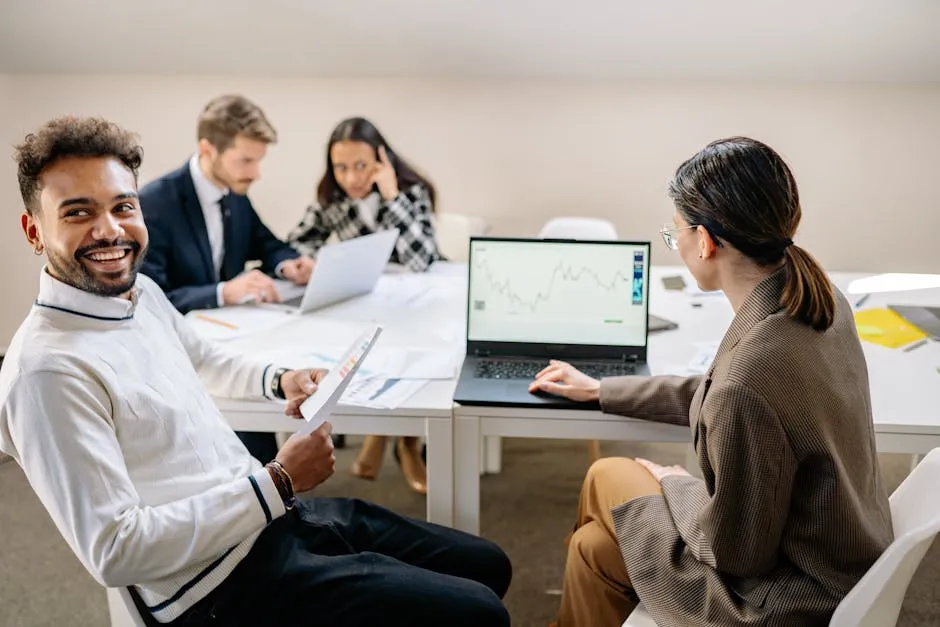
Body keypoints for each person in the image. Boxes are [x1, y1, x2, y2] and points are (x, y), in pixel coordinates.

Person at [1, 116, 512, 627]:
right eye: (78, 212)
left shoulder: (140, 295)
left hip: (267, 518)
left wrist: (280, 379)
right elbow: (116, 551)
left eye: (123, 206)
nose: (110, 229)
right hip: (218, 587)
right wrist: (280, 481)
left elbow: (206, 359)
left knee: (488, 564)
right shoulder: (46, 372)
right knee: (479, 612)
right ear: (34, 231)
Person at [530, 137, 893, 627]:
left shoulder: (750, 380)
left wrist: (679, 486)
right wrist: (602, 389)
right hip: (840, 562)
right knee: (592, 547)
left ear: (704, 241)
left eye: (673, 232)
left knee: (602, 477)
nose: (675, 244)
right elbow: (719, 392)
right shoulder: (817, 300)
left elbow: (737, 553)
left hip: (777, 602)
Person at [139, 94, 316, 464]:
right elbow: (149, 296)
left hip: (236, 334)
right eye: (246, 161)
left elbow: (267, 244)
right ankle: (264, 484)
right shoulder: (155, 203)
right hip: (181, 350)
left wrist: (288, 266)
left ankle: (269, 479)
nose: (255, 173)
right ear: (208, 149)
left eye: (258, 160)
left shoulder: (235, 194)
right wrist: (223, 291)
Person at [288, 117, 443, 494]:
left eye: (361, 165)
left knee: (415, 347)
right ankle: (392, 437)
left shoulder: (411, 190)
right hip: (369, 298)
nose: (351, 177)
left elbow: (421, 258)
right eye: (341, 167)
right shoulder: (333, 199)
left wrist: (393, 198)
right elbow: (296, 243)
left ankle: (399, 440)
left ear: (381, 160)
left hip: (416, 300)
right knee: (359, 340)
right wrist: (305, 262)